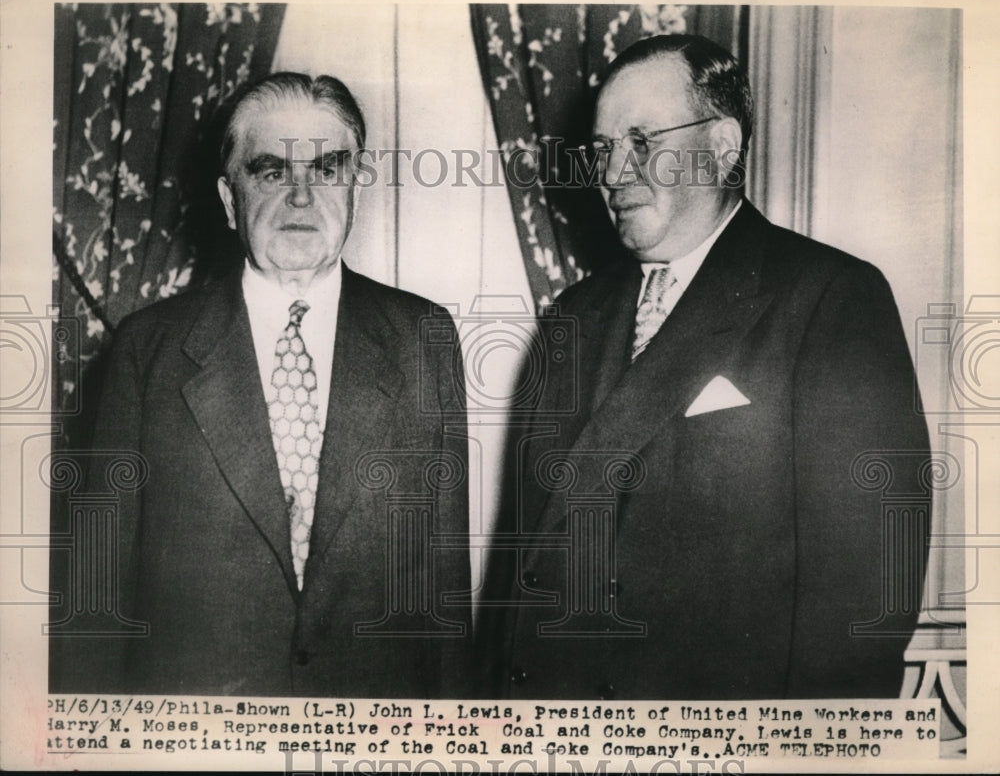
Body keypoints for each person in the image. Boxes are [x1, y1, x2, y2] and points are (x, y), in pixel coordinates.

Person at [480, 34, 931, 699]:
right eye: (603, 149)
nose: (612, 172)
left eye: (643, 141)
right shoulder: (572, 316)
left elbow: (864, 603)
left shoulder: (829, 298)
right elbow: (515, 572)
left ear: (722, 146)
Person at [50, 72, 470, 697]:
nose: (301, 197)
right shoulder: (148, 349)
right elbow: (97, 599)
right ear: (229, 198)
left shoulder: (423, 336)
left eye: (327, 169)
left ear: (356, 186)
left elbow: (443, 588)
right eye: (271, 171)